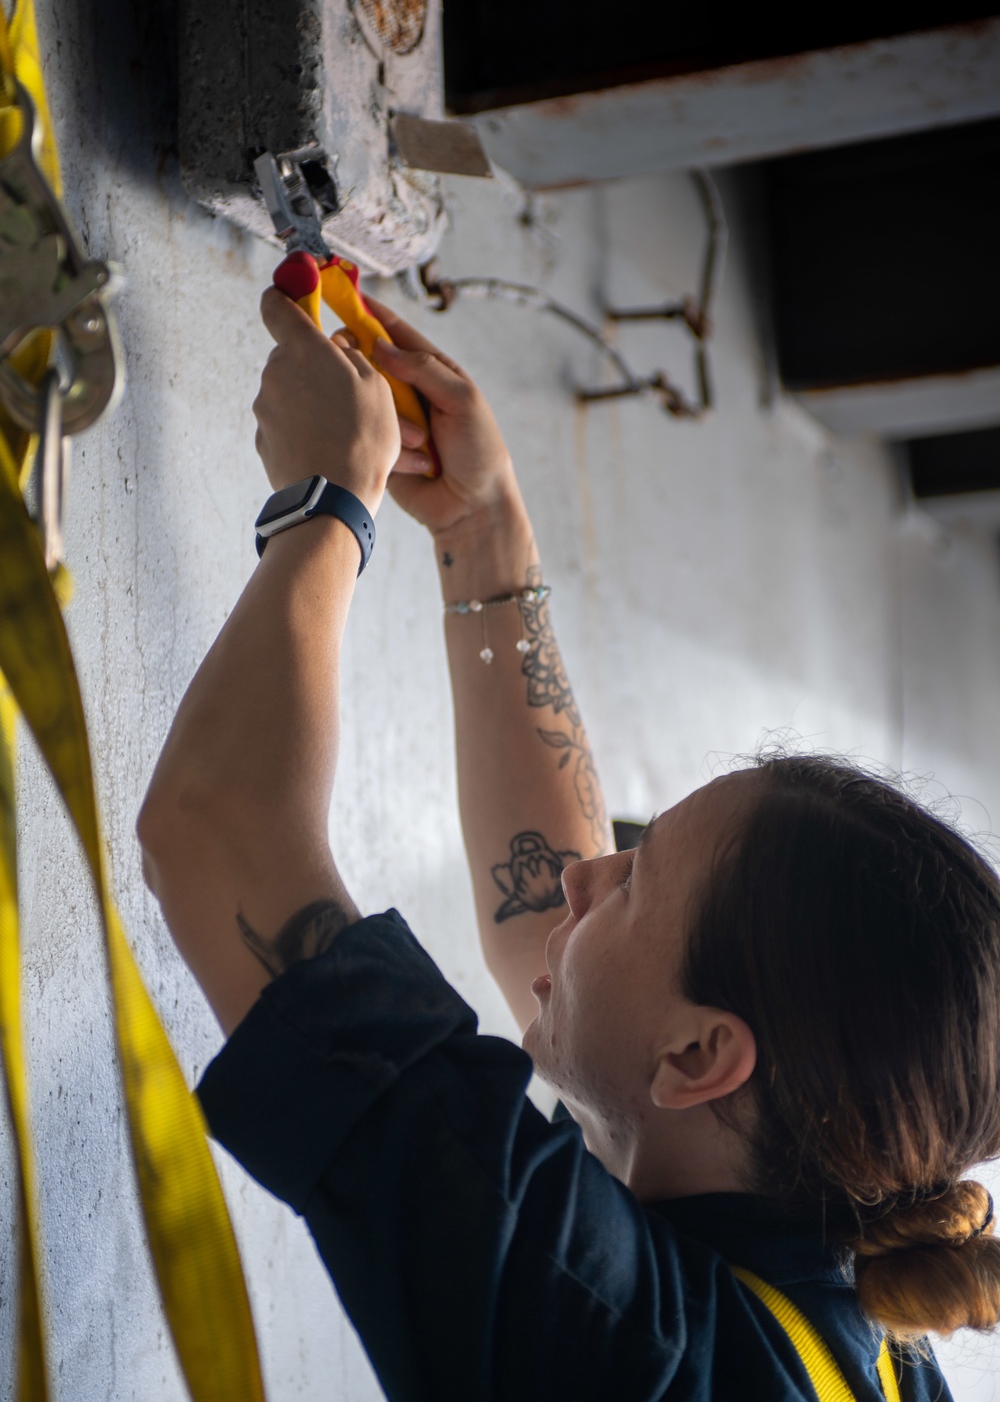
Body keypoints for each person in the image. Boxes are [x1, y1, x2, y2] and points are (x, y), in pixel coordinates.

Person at [137, 285, 1000, 1401]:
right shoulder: (842, 1326)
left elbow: (216, 831)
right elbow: (566, 939)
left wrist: (325, 501)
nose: (581, 874)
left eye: (631, 883)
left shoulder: (617, 1337)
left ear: (699, 1058)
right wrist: (482, 527)